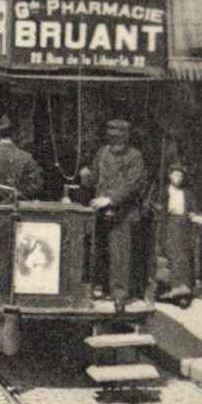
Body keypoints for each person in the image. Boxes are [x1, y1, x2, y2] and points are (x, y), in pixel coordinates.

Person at [80, 119, 148, 313]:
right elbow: (94, 177)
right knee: (97, 251)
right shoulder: (102, 153)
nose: (115, 142)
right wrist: (86, 176)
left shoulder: (135, 156)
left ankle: (119, 297)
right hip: (101, 212)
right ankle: (98, 289)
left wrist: (110, 199)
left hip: (123, 214)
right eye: (112, 137)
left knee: (120, 255)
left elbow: (132, 184)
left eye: (118, 138)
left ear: (126, 138)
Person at [152, 163, 202, 307]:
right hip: (168, 226)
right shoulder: (163, 192)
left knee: (184, 258)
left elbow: (194, 210)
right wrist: (158, 211)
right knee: (172, 257)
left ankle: (183, 292)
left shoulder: (187, 194)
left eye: (181, 175)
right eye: (176, 175)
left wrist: (197, 217)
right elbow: (155, 208)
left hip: (184, 227)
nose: (179, 178)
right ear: (170, 176)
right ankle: (170, 290)